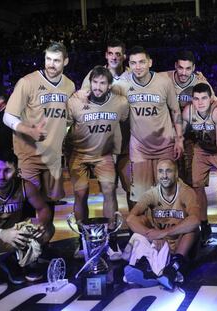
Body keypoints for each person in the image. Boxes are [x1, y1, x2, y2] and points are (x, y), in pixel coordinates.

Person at [66, 66, 129, 260]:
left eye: (102, 83)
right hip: (78, 154)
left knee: (109, 189)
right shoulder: (75, 101)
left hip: (104, 154)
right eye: (95, 82)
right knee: (80, 193)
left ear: (109, 85)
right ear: (90, 82)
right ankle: (82, 241)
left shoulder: (120, 103)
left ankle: (111, 240)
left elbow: (126, 124)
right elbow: (64, 127)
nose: (98, 87)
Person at [3, 41, 75, 204]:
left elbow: (67, 118)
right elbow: (7, 116)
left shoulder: (70, 85)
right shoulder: (27, 82)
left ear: (65, 61)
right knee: (28, 206)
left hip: (54, 157)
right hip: (29, 156)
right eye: (48, 59)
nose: (51, 64)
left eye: (56, 60)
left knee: (49, 208)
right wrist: (28, 130)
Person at [0, 152, 55, 294]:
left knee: (48, 230)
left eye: (7, 171)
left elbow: (43, 209)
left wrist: (41, 223)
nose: (1, 176)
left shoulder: (25, 186)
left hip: (13, 235)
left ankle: (17, 260)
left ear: (16, 170)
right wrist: (1, 233)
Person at [119, 46, 184, 204]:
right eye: (133, 63)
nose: (138, 66)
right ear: (129, 65)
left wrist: (179, 139)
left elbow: (176, 111)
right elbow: (100, 87)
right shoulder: (123, 83)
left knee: (168, 194)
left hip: (165, 145)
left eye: (142, 62)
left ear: (150, 62)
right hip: (139, 148)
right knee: (141, 198)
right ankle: (143, 229)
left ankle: (169, 227)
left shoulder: (163, 82)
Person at [124, 159, 199, 290]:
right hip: (160, 243)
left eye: (168, 171)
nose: (164, 176)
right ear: (156, 174)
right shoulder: (151, 194)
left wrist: (163, 233)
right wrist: (152, 236)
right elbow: (130, 219)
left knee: (193, 229)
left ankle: (174, 266)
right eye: (160, 171)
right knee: (140, 220)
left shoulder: (186, 192)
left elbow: (196, 220)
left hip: (181, 245)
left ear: (176, 174)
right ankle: (152, 268)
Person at [81, 39, 133, 210]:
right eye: (110, 53)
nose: (114, 57)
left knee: (132, 189)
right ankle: (111, 231)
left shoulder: (133, 75)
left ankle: (137, 232)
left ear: (124, 56)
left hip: (127, 144)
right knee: (108, 190)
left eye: (118, 54)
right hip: (104, 147)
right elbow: (82, 103)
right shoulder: (94, 75)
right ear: (106, 55)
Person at [183, 83, 217, 247]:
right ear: (192, 100)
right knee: (197, 186)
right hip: (202, 149)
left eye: (204, 98)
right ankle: (205, 226)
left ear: (210, 98)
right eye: (196, 99)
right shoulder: (188, 112)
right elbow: (179, 134)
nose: (200, 103)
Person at [161, 50, 217, 186]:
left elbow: (215, 102)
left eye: (188, 69)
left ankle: (193, 205)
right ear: (175, 66)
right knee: (171, 177)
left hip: (192, 137)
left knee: (193, 178)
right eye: (181, 68)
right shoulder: (164, 78)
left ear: (193, 68)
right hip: (169, 136)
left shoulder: (199, 82)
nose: (184, 72)